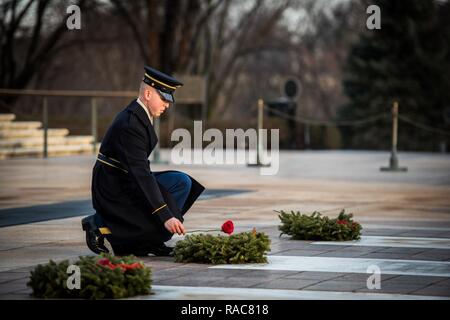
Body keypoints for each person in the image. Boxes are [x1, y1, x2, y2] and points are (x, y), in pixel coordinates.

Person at [82, 66, 205, 257]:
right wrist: (166, 216)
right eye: (164, 98)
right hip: (113, 186)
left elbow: (140, 172)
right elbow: (141, 175)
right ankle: (99, 223)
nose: (167, 104)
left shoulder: (140, 116)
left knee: (181, 183)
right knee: (162, 203)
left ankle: (149, 241)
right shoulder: (131, 124)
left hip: (125, 178)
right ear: (148, 94)